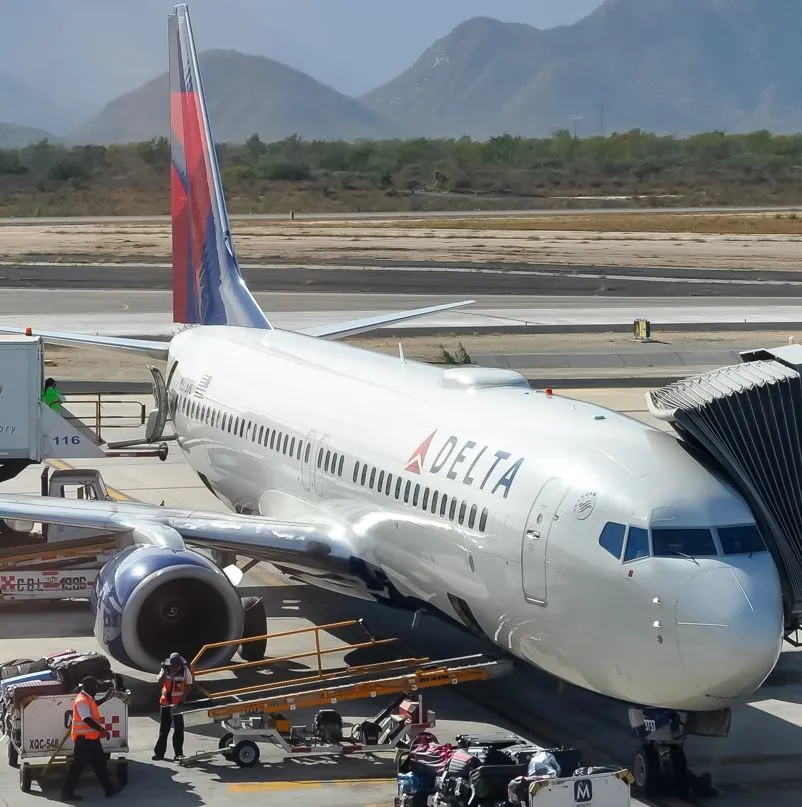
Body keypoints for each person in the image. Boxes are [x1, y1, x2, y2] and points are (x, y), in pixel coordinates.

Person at [61, 677, 119, 801]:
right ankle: (67, 793)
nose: (97, 689)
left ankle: (109, 789)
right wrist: (102, 730)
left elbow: (93, 705)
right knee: (77, 768)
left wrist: (105, 699)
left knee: (100, 765)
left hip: (92, 740)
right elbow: (86, 718)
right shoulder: (82, 701)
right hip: (84, 742)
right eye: (96, 686)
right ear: (89, 687)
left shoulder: (87, 699)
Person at [153, 652, 193, 761]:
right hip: (165, 703)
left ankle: (178, 753)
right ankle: (159, 753)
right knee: (164, 729)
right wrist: (165, 672)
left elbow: (189, 683)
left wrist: (183, 697)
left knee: (179, 729)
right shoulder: (165, 669)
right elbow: (159, 681)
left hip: (178, 704)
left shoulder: (185, 671)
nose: (174, 667)